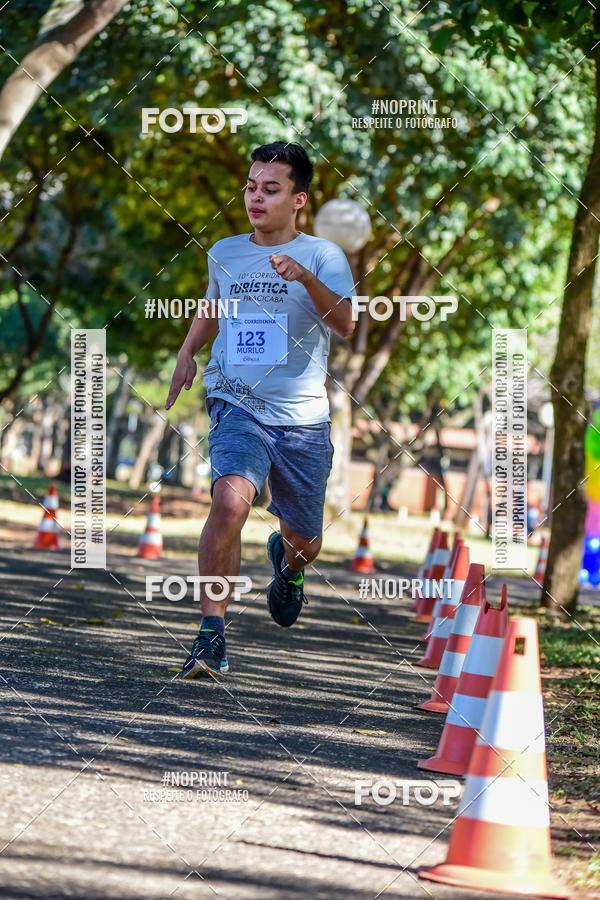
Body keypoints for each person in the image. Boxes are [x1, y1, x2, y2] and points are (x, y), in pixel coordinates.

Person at [165, 141, 355, 677]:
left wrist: (305, 278)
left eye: (271, 189)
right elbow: (213, 307)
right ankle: (211, 635)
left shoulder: (323, 256)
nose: (256, 196)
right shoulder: (225, 251)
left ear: (298, 199)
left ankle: (289, 567)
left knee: (306, 541)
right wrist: (187, 353)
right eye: (251, 185)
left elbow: (345, 323)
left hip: (301, 419)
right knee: (229, 500)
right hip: (236, 402)